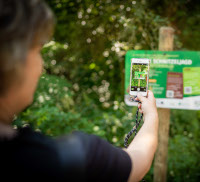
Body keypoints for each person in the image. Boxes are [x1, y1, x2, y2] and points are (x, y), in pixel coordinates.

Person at [0, 0, 159, 181]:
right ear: (12, 63)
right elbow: (138, 163)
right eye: (37, 51)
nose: (41, 66)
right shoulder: (74, 156)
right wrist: (152, 115)